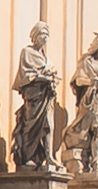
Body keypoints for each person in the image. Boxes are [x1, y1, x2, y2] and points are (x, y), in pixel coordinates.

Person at [11, 23, 61, 171]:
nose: (45, 37)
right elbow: (27, 75)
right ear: (35, 36)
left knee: (48, 126)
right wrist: (45, 77)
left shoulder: (45, 56)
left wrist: (51, 79)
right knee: (31, 127)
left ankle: (49, 157)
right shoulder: (27, 52)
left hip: (46, 96)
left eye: (47, 34)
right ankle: (27, 157)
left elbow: (53, 73)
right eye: (42, 34)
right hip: (34, 97)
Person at [64, 35, 98, 176]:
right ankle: (95, 163)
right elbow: (78, 81)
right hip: (93, 101)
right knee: (96, 131)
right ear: (97, 49)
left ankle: (97, 162)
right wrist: (91, 83)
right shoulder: (87, 63)